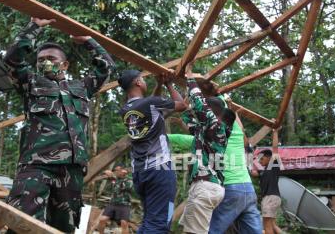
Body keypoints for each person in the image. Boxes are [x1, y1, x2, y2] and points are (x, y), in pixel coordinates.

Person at [4, 18, 115, 233]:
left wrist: (88, 41)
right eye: (41, 59)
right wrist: (34, 27)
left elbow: (107, 67)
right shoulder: (31, 83)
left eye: (51, 58)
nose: (45, 62)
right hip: (37, 164)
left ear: (64, 65)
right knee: (21, 220)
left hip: (72, 169)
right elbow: (12, 59)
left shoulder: (82, 87)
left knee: (64, 227)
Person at [118, 70, 187, 233]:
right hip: (159, 170)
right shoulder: (150, 103)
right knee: (159, 224)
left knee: (150, 220)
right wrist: (169, 84)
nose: (145, 81)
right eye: (143, 79)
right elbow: (182, 105)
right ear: (138, 83)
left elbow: (153, 107)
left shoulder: (126, 110)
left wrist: (159, 84)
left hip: (140, 172)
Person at [179, 64, 234, 234]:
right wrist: (186, 104)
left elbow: (200, 106)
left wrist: (190, 77)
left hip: (205, 186)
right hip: (207, 186)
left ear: (213, 113)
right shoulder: (209, 132)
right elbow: (188, 118)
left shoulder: (216, 126)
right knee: (189, 231)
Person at [208, 94, 263, 234]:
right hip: (248, 189)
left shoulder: (217, 134)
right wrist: (229, 105)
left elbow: (191, 138)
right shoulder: (238, 135)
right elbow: (241, 127)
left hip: (231, 188)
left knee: (213, 230)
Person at [251, 131, 282, 234]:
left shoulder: (274, 165)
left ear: (269, 158)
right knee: (273, 225)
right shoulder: (264, 171)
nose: (260, 161)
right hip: (272, 198)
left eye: (262, 158)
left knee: (267, 226)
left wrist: (275, 131)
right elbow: (253, 172)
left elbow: (275, 147)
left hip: (270, 197)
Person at [97, 164, 134, 234]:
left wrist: (113, 177)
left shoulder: (129, 180)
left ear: (123, 171)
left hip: (124, 205)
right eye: (115, 170)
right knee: (102, 219)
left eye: (117, 170)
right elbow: (99, 176)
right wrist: (104, 172)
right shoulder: (114, 178)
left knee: (124, 223)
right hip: (112, 203)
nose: (115, 172)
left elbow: (123, 187)